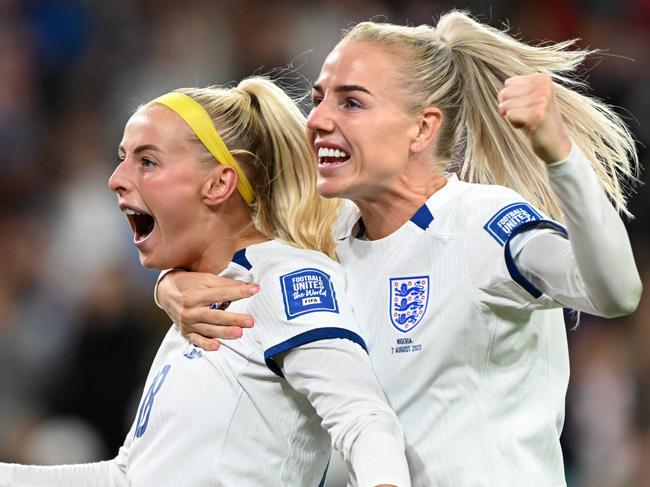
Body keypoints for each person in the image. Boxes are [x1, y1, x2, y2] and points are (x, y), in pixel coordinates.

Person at [154, 11, 643, 487]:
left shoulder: (482, 224)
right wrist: (171, 286)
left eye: (352, 103)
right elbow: (226, 250)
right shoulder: (324, 241)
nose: (318, 119)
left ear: (423, 128)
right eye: (320, 98)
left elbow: (615, 292)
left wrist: (562, 156)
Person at [0, 78, 412, 487]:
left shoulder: (284, 279)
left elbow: (363, 418)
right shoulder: (195, 310)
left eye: (147, 161)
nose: (116, 178)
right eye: (123, 158)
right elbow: (128, 476)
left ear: (218, 184)